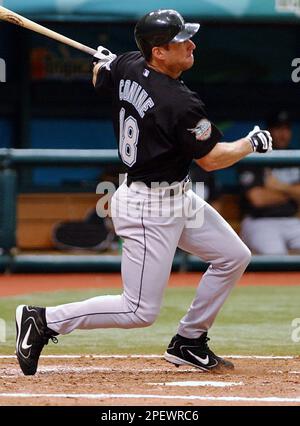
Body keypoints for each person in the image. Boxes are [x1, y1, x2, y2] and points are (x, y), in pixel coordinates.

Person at [15, 9, 272, 376]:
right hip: (148, 206)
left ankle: (189, 341)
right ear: (159, 52)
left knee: (233, 255)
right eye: (181, 41)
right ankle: (43, 320)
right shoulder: (179, 102)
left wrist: (106, 66)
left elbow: (100, 78)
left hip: (175, 197)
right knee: (138, 311)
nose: (191, 45)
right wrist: (251, 143)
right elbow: (213, 160)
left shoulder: (130, 64)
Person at [239, 110, 300, 254]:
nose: (283, 133)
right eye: (278, 128)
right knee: (275, 254)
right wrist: (293, 192)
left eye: (286, 128)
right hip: (259, 221)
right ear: (269, 131)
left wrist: (278, 186)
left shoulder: (295, 156)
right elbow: (258, 199)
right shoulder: (254, 157)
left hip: (292, 220)